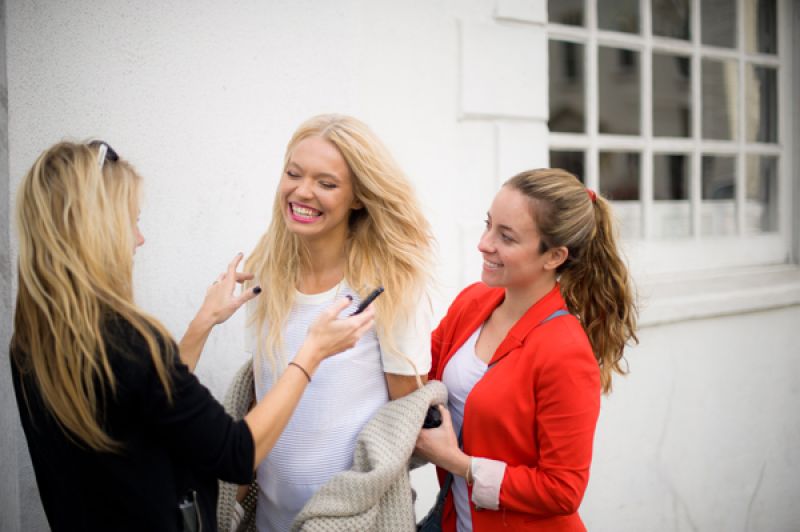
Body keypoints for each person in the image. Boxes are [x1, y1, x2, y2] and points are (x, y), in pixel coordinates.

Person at [10, 140, 375, 532]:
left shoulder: (33, 341)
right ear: (95, 233)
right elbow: (238, 454)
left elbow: (141, 400)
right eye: (131, 222)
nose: (139, 239)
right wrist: (311, 353)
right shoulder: (128, 340)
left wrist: (203, 323)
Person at [414, 168, 638, 531]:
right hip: (454, 520)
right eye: (488, 225)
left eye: (506, 236)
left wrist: (460, 464)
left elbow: (563, 490)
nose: (484, 243)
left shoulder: (565, 350)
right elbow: (417, 375)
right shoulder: (473, 302)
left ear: (553, 257)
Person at [243, 113, 435, 531]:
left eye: (326, 183)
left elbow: (404, 423)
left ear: (358, 197)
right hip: (270, 522)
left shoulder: (390, 286)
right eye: (293, 174)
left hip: (358, 522)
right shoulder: (265, 274)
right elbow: (263, 399)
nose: (302, 191)